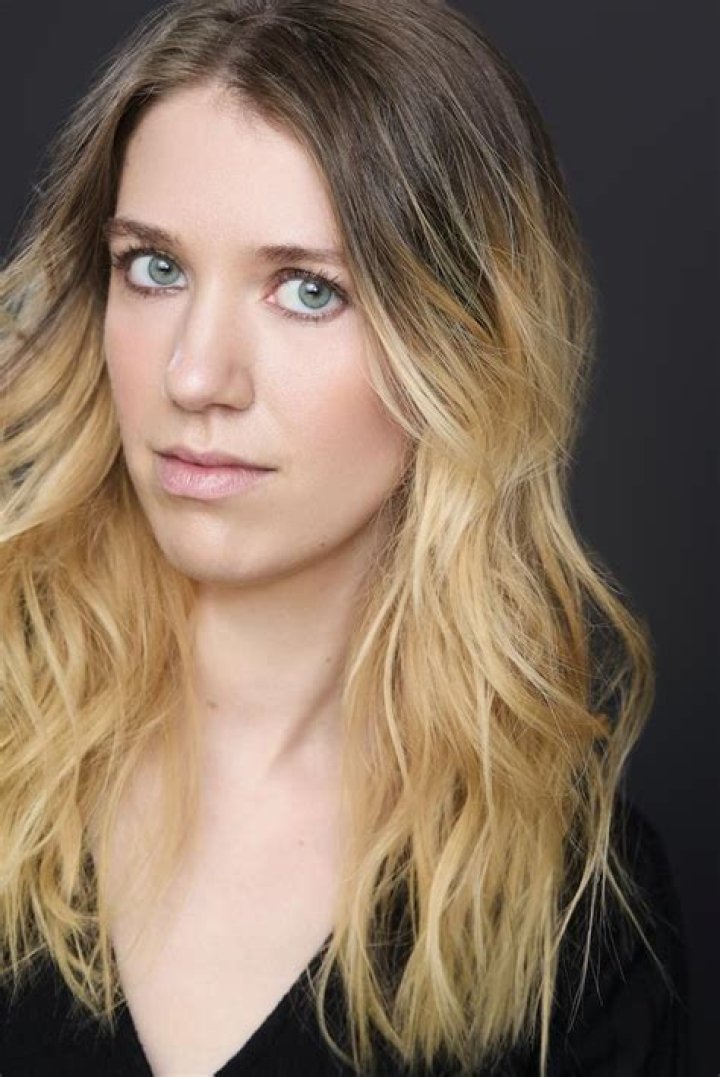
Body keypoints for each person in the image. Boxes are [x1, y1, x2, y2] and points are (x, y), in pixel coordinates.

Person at [0, 0, 690, 1074]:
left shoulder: (580, 916)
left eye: (308, 290)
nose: (195, 375)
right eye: (155, 268)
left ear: (465, 346)